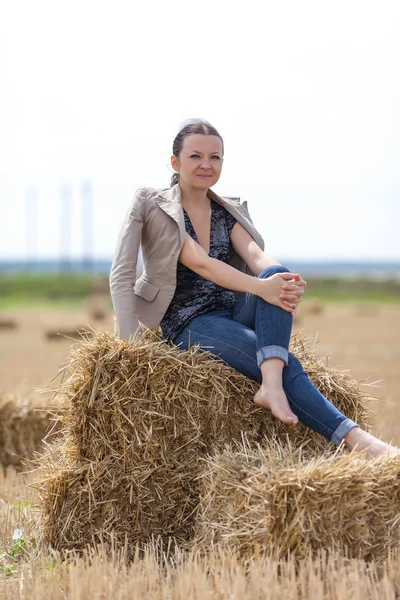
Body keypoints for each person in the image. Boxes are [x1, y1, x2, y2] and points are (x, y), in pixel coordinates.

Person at [109, 118, 398, 460]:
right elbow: (195, 263)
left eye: (215, 157)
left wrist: (281, 281)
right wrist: (131, 350)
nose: (206, 164)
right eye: (196, 156)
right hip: (187, 322)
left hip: (233, 311)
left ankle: (270, 385)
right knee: (281, 356)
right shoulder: (152, 203)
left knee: (277, 273)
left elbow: (257, 256)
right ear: (175, 162)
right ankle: (361, 443)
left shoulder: (227, 209)